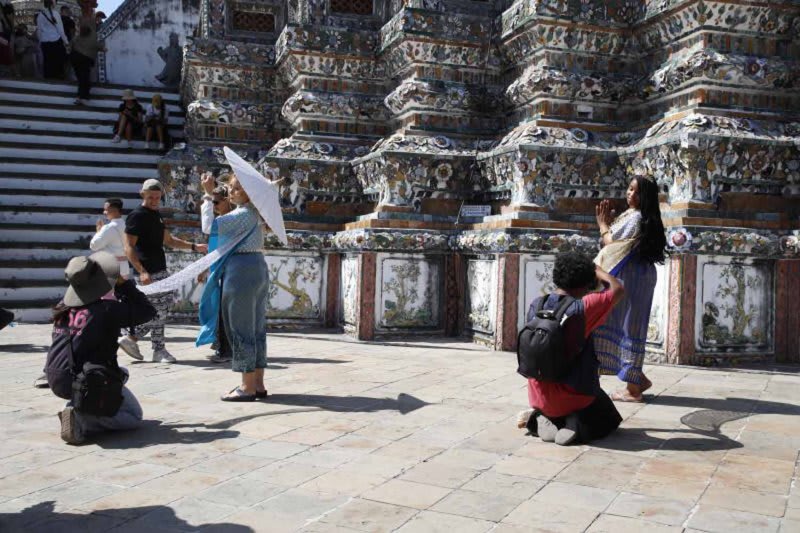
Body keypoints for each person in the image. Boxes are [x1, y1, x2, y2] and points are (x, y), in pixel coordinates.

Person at [43, 251, 156, 445]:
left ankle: (78, 405)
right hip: (81, 380)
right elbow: (148, 311)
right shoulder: (106, 310)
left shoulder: (62, 307)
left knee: (122, 373)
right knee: (133, 416)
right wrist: (124, 284)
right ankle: (82, 418)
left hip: (56, 375)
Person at [518, 251, 625, 446]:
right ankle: (574, 423)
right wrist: (597, 270)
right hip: (574, 395)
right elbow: (617, 288)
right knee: (607, 416)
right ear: (586, 282)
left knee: (555, 393)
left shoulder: (537, 304)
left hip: (537, 395)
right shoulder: (584, 306)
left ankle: (543, 418)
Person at [594, 176, 667, 402]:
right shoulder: (638, 216)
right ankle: (637, 378)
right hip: (637, 273)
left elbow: (612, 242)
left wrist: (603, 225)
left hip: (631, 275)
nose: (630, 194)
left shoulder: (636, 217)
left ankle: (633, 389)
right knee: (630, 324)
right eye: (629, 189)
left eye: (636, 192)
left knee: (630, 326)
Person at [120, 179, 207, 363]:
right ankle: (148, 345)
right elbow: (128, 247)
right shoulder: (137, 216)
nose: (154, 200)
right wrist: (141, 271)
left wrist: (193, 246)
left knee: (161, 308)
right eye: (150, 197)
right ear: (142, 194)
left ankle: (138, 340)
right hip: (147, 271)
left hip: (160, 268)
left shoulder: (156, 215)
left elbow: (168, 240)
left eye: (157, 197)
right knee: (158, 309)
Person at [198, 173, 269, 401]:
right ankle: (257, 383)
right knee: (255, 327)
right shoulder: (255, 214)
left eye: (237, 188)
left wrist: (209, 195)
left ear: (250, 193)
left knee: (239, 325)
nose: (232, 191)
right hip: (256, 266)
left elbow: (210, 226)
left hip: (241, 270)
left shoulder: (243, 214)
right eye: (230, 187)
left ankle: (247, 386)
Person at [200, 172, 233, 364]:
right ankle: (220, 343)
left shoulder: (228, 220)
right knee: (217, 308)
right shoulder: (226, 219)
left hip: (227, 270)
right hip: (219, 268)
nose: (215, 206)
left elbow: (206, 227)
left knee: (223, 310)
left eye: (217, 202)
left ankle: (225, 347)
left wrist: (206, 194)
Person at [90, 197, 130, 280]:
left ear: (115, 210)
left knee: (110, 292)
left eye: (106, 210)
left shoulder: (109, 228)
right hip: (124, 266)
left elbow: (94, 246)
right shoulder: (126, 225)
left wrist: (98, 232)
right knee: (122, 291)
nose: (104, 212)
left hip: (111, 268)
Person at [69, 16, 102, 105]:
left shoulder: (79, 36)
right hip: (83, 59)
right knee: (84, 78)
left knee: (82, 78)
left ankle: (81, 96)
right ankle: (83, 96)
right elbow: (95, 45)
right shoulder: (90, 35)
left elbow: (72, 44)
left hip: (77, 59)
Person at [36, 0, 69, 79]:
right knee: (57, 64)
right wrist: (66, 42)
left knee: (47, 64)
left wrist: (40, 42)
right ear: (53, 4)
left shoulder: (40, 15)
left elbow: (39, 31)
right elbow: (60, 30)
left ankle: (47, 81)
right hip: (56, 42)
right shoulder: (56, 14)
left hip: (45, 42)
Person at [0, 4, 14, 75]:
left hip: (6, 51)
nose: (12, 16)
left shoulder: (6, 23)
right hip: (3, 50)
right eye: (11, 14)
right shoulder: (2, 22)